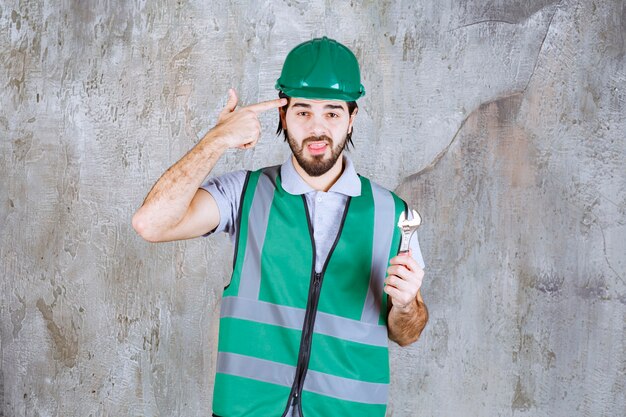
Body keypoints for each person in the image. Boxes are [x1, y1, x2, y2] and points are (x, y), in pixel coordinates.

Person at [133, 36, 428, 417]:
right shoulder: (244, 193)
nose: (317, 129)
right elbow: (150, 223)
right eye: (303, 112)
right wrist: (217, 139)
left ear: (352, 119)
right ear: (282, 115)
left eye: (332, 113)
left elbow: (408, 333)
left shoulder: (395, 215)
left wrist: (406, 305)